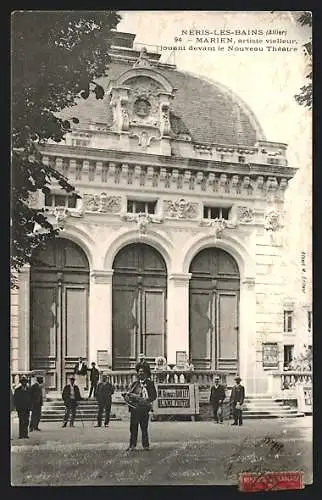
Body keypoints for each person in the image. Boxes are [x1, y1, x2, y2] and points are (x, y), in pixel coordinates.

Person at [126, 367, 157, 451]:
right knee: (133, 428)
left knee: (144, 428)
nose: (141, 373)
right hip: (135, 409)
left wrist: (148, 399)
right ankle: (132, 445)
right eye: (139, 372)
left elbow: (154, 395)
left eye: (143, 372)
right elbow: (129, 395)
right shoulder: (135, 384)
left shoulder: (150, 383)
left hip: (144, 409)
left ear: (146, 374)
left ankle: (146, 445)